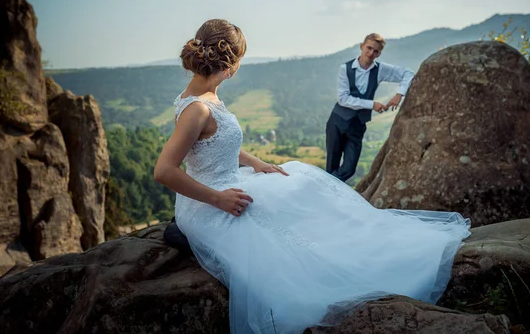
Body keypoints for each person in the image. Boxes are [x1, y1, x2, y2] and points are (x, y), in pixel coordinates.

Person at [154, 19, 470, 334]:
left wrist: (258, 162)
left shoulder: (207, 97)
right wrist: (219, 199)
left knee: (297, 178)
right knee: (281, 236)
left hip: (230, 184)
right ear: (232, 64)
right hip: (210, 203)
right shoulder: (197, 108)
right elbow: (164, 171)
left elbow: (216, 146)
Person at [326, 33, 414, 182]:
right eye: (369, 48)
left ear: (379, 54)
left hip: (358, 125)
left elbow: (408, 74)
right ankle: (327, 194)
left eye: (376, 51)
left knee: (349, 168)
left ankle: (324, 185)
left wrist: (399, 94)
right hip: (337, 122)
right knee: (331, 166)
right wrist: (372, 104)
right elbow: (343, 99)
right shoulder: (345, 69)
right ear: (361, 47)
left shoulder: (380, 69)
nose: (371, 53)